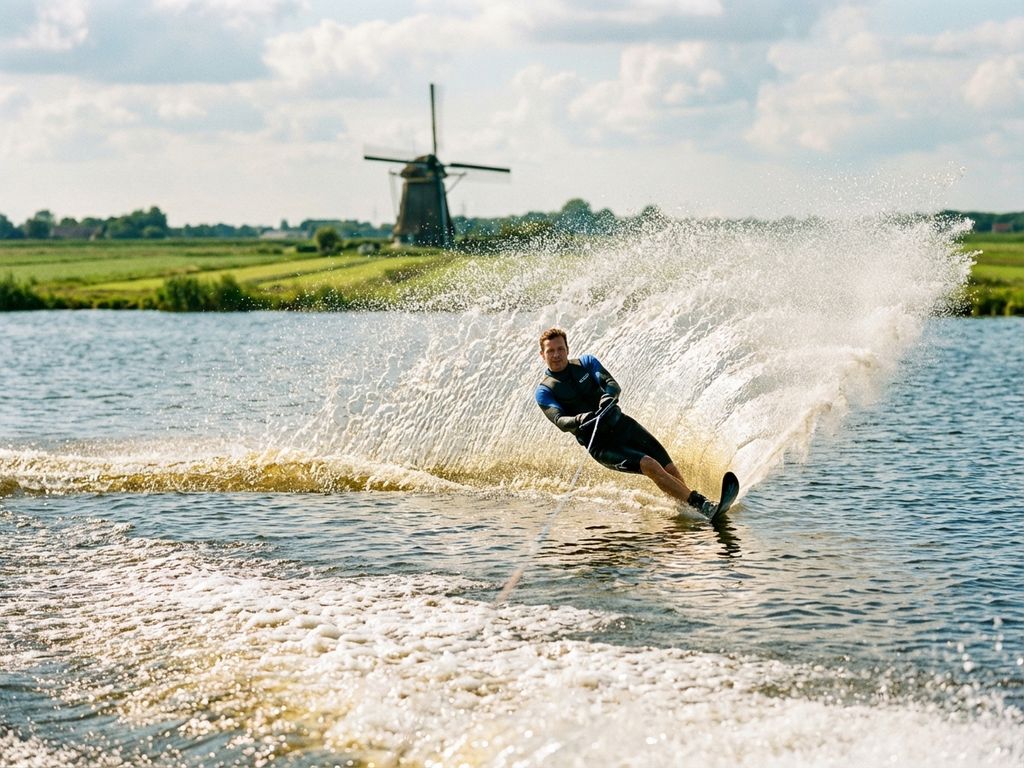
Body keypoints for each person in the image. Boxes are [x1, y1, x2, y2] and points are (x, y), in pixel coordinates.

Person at [534, 327, 715, 514]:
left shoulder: (586, 363)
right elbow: (560, 420)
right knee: (650, 465)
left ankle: (689, 510)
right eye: (550, 351)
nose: (556, 355)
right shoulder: (545, 391)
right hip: (601, 444)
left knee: (669, 468)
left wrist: (608, 396)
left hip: (623, 425)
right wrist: (581, 418)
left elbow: (611, 384)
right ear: (542, 355)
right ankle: (702, 504)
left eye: (560, 349)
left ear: (567, 349)